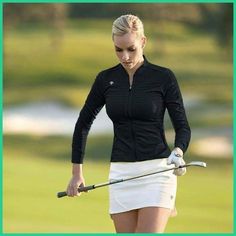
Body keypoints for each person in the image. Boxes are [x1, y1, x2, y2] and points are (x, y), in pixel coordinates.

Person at [66, 14, 191, 233]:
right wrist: (77, 173)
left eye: (131, 49)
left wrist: (179, 151)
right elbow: (83, 123)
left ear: (143, 42)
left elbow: (182, 125)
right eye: (118, 49)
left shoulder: (163, 77)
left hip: (157, 172)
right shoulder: (106, 79)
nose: (124, 56)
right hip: (121, 173)